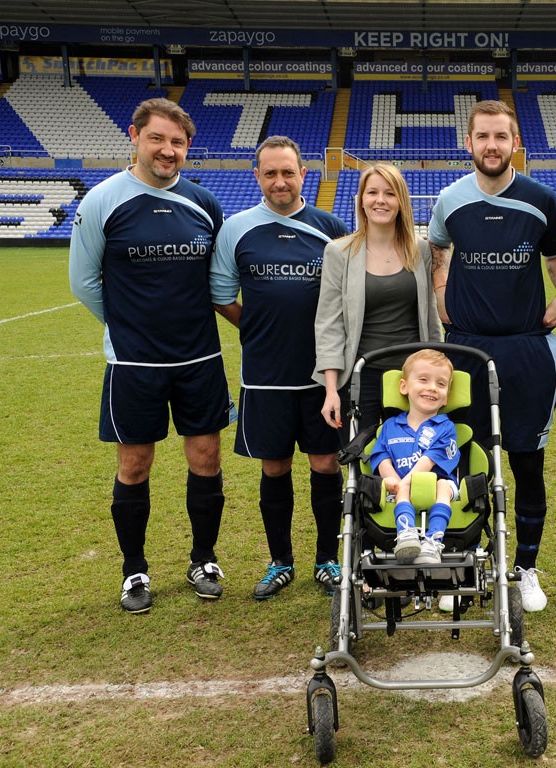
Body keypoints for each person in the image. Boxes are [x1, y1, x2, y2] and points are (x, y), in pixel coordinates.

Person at [69, 98, 234, 614]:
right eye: (157, 139)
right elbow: (84, 282)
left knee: (206, 458)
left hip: (200, 357)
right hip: (134, 364)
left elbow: (217, 282)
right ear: (135, 136)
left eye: (177, 142)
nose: (167, 150)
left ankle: (203, 558)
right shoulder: (102, 200)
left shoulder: (204, 203)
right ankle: (134, 570)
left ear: (187, 148)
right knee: (135, 465)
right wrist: (128, 327)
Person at [428, 100, 556, 612]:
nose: (492, 146)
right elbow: (437, 252)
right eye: (483, 137)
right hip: (465, 348)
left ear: (516, 144)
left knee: (526, 461)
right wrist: (443, 296)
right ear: (468, 143)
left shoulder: (540, 199)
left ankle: (525, 568)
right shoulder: (449, 200)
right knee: (463, 458)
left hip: (527, 350)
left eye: (501, 137)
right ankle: (463, 565)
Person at [210, 136, 349, 601]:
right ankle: (280, 561)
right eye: (270, 173)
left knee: (326, 464)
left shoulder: (330, 226)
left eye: (288, 172)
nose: (280, 181)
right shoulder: (238, 229)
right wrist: (256, 330)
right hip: (264, 377)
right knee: (274, 468)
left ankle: (327, 560)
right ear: (257, 177)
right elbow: (222, 294)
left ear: (303, 174)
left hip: (324, 377)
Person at [314, 162, 443, 435]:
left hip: (412, 379)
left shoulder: (419, 249)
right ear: (361, 200)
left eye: (389, 193)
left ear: (401, 201)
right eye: (372, 192)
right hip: (361, 377)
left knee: (413, 465)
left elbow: (430, 316)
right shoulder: (339, 252)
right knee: (361, 469)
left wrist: (438, 371)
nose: (380, 200)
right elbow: (329, 325)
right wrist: (331, 390)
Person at [369, 349, 460, 565]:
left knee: (443, 485)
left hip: (438, 487)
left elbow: (427, 462)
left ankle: (432, 541)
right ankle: (407, 535)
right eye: (423, 380)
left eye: (441, 384)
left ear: (447, 395)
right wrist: (391, 480)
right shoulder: (390, 426)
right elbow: (381, 455)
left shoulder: (445, 427)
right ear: (404, 386)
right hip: (399, 490)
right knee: (403, 488)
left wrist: (402, 484)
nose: (432, 388)